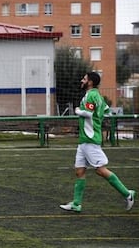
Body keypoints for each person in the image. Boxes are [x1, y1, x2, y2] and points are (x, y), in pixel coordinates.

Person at [60, 72, 136, 212]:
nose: (81, 80)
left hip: (90, 139)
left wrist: (77, 110)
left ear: (90, 82)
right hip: (85, 140)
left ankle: (127, 194)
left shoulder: (92, 95)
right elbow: (106, 110)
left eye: (84, 78)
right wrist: (98, 119)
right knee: (80, 171)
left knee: (100, 170)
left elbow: (88, 113)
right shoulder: (97, 96)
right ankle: (77, 204)